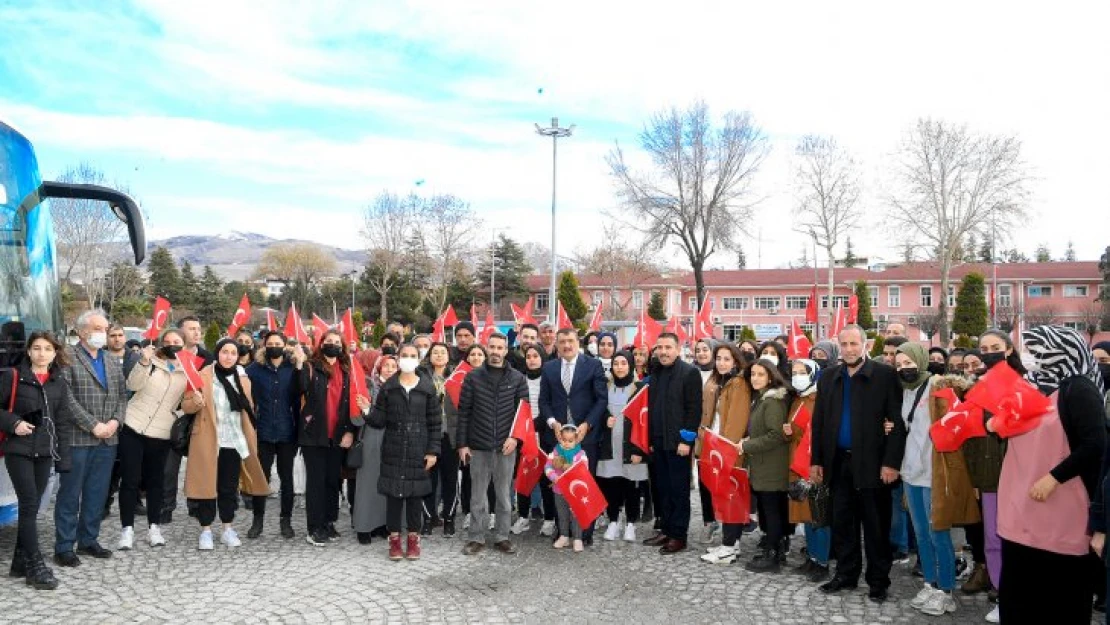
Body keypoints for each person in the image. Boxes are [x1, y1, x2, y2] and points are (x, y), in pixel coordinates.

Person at [1000, 326, 1104, 624]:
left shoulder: (1079, 389)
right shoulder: (1027, 387)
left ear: (1066, 351)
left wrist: (1054, 477)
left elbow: (1096, 444)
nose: (1038, 357)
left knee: (1061, 602)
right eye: (1033, 350)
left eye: (1044, 350)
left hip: (1061, 513)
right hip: (1018, 512)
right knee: (1018, 600)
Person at [810, 324, 905, 603]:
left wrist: (891, 463)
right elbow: (819, 422)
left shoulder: (885, 375)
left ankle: (878, 581)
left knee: (876, 525)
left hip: (874, 464)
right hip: (838, 463)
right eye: (845, 344)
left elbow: (896, 423)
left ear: (866, 345)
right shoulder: (828, 377)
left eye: (854, 343)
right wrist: (817, 460)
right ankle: (846, 575)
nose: (849, 349)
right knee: (842, 522)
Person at [892, 343, 974, 617]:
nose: (904, 368)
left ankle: (946, 590)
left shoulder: (937, 385)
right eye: (899, 363)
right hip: (911, 471)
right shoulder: (905, 390)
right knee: (922, 534)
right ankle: (930, 582)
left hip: (935, 472)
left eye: (908, 362)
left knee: (939, 534)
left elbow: (957, 422)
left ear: (921, 360)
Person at [181, 339, 269, 550]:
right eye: (224, 352)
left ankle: (227, 528)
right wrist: (196, 402)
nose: (228, 356)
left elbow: (248, 408)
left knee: (228, 487)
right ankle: (206, 531)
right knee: (206, 486)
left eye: (232, 352)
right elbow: (185, 405)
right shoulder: (202, 375)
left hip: (235, 439)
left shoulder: (243, 378)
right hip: (208, 438)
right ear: (217, 353)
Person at [1, 332, 73, 590]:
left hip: (44, 452)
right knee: (29, 504)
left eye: (47, 349)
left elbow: (62, 423)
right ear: (29, 352)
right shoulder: (13, 377)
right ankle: (35, 565)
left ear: (55, 353)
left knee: (32, 508)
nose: (42, 353)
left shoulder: (59, 382)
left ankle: (19, 561)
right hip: (18, 449)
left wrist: (64, 460)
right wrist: (14, 423)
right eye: (37, 348)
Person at [53, 310, 125, 567]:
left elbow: (121, 396)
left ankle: (88, 540)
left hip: (108, 440)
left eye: (104, 329)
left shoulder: (110, 360)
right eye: (98, 328)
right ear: (82, 331)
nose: (102, 334)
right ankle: (63, 546)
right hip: (78, 438)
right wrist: (93, 425)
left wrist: (115, 422)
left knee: (97, 493)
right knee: (70, 494)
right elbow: (66, 398)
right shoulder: (67, 358)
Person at [457, 333, 530, 555]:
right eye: (493, 347)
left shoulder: (517, 378)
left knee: (504, 496)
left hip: (506, 447)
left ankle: (502, 536)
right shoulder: (473, 377)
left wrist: (516, 438)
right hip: (478, 446)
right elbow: (464, 413)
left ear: (506, 350)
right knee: (478, 496)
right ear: (486, 348)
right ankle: (476, 537)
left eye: (500, 347)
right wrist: (462, 444)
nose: (496, 351)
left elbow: (523, 412)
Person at [367, 343, 441, 560]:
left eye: (413, 355)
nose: (408, 359)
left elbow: (435, 424)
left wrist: (433, 451)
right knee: (394, 497)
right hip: (393, 449)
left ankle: (413, 540)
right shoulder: (389, 388)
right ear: (398, 359)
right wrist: (365, 410)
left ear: (418, 359)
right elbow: (379, 420)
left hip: (419, 449)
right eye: (404, 355)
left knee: (415, 497)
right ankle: (395, 540)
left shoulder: (427, 388)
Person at [118, 330, 190, 550]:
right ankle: (127, 529)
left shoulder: (187, 371)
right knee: (130, 480)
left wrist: (176, 415)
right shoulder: (150, 362)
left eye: (177, 342)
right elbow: (132, 385)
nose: (171, 345)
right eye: (167, 342)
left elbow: (187, 403)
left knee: (155, 482)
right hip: (134, 425)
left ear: (184, 345)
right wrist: (144, 362)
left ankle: (154, 527)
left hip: (161, 432)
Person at [538, 328, 608, 545]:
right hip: (558, 440)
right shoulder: (549, 367)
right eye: (562, 342)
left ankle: (584, 533)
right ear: (556, 345)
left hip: (585, 438)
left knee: (585, 484)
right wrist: (552, 422)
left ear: (578, 342)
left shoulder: (593, 365)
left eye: (570, 341)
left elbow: (601, 400)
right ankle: (563, 532)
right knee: (560, 486)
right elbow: (544, 401)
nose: (566, 345)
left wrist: (587, 424)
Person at [292, 330, 356, 546]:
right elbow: (299, 388)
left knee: (332, 481)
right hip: (314, 434)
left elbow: (349, 403)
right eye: (329, 341)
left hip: (338, 435)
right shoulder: (311, 366)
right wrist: (300, 364)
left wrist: (349, 431)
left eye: (337, 342)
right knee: (316, 483)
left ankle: (329, 522)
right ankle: (314, 527)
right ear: (320, 344)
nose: (333, 345)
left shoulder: (347, 370)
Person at [641, 333, 703, 554]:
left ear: (678, 349)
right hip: (658, 441)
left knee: (678, 490)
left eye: (668, 347)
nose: (663, 351)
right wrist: (648, 440)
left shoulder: (690, 373)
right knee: (663, 489)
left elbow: (694, 410)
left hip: (679, 443)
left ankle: (678, 535)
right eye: (660, 347)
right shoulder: (656, 372)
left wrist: (686, 440)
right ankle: (666, 529)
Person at [699, 344, 754, 565]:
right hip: (721, 448)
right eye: (719, 358)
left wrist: (726, 450)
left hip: (729, 451)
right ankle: (731, 542)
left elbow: (736, 422)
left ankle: (729, 547)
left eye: (726, 359)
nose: (721, 362)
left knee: (731, 497)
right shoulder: (726, 382)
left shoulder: (738, 383)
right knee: (726, 497)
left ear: (736, 361)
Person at [736, 358, 791, 572]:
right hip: (763, 464)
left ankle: (773, 557)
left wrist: (747, 446)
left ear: (770, 376)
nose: (755, 378)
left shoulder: (773, 401)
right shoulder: (761, 398)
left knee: (771, 512)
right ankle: (773, 550)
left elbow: (775, 435)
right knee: (768, 511)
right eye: (753, 374)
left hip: (771, 466)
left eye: (760, 374)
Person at [245, 331, 300, 540]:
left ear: (285, 346)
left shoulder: (293, 368)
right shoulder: (254, 370)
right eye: (270, 343)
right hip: (264, 431)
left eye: (278, 343)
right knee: (262, 478)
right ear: (264, 346)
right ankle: (257, 520)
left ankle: (286, 520)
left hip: (287, 432)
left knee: (287, 480)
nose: (274, 347)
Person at [160, 315, 212, 524]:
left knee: (198, 465)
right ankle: (166, 506)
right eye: (191, 329)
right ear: (180, 334)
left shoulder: (208, 358)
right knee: (168, 468)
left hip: (200, 419)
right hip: (173, 419)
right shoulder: (167, 357)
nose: (197, 332)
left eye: (199, 329)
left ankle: (196, 504)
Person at [783, 358, 830, 581]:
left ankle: (822, 561)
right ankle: (811, 557)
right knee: (805, 514)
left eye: (803, 372)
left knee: (817, 516)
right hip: (796, 463)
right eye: (795, 372)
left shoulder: (818, 399)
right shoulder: (798, 399)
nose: (797, 376)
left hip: (812, 466)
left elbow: (817, 434)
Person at [597, 351, 649, 543]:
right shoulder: (605, 387)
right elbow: (597, 409)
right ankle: (613, 520)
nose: (620, 367)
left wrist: (639, 451)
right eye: (616, 363)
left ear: (630, 366)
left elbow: (645, 422)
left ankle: (630, 523)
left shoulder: (640, 388)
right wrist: (604, 419)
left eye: (623, 363)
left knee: (631, 486)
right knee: (612, 485)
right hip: (610, 447)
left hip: (630, 447)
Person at [352, 354, 395, 544]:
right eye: (386, 365)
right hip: (371, 438)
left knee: (386, 484)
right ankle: (363, 526)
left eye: (394, 366)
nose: (390, 369)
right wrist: (365, 408)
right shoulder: (369, 385)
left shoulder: (401, 387)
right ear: (378, 367)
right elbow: (357, 416)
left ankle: (382, 524)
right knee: (367, 484)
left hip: (392, 439)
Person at [420, 342, 460, 536]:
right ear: (429, 355)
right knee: (428, 479)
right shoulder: (421, 376)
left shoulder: (456, 376)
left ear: (448, 355)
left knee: (450, 480)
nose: (439, 355)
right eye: (435, 352)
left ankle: (449, 519)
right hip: (428, 436)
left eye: (442, 352)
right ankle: (428, 518)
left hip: (450, 436)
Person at [512, 344, 551, 535]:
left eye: (536, 355)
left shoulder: (549, 378)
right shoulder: (519, 379)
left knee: (546, 478)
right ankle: (523, 516)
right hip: (523, 435)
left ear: (542, 357)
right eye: (528, 356)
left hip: (544, 434)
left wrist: (536, 424)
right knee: (523, 476)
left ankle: (550, 518)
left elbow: (550, 405)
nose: (532, 359)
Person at [694, 337, 722, 544]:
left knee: (719, 482)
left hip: (719, 436)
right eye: (698, 350)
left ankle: (725, 521)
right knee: (704, 481)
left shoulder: (721, 375)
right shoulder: (691, 373)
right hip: (699, 437)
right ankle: (709, 521)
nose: (702, 353)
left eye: (706, 349)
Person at [546, 425, 589, 552]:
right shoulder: (555, 452)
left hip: (575, 492)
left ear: (576, 440)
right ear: (560, 438)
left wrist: (570, 467)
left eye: (570, 441)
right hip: (559, 490)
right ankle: (564, 536)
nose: (566, 443)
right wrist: (554, 477)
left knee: (576, 514)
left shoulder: (581, 454)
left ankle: (577, 538)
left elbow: (584, 470)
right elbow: (547, 467)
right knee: (562, 514)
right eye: (564, 440)